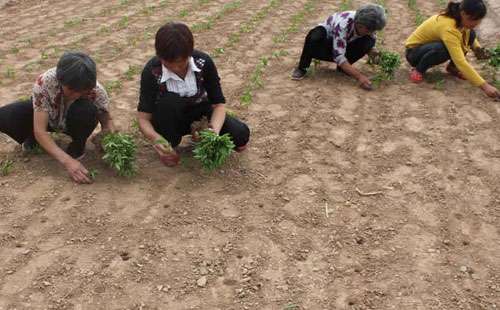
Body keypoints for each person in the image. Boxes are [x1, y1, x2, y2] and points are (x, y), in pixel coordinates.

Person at [137, 22, 250, 167]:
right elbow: (143, 118)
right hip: (170, 118)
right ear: (160, 56)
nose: (175, 68)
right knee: (170, 101)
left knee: (240, 135)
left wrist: (212, 133)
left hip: (201, 113)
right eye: (168, 63)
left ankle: (199, 133)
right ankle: (171, 140)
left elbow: (219, 105)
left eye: (180, 62)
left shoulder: (203, 62)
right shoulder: (152, 71)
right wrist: (158, 141)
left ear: (189, 53)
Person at [0, 52, 116, 183]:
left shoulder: (96, 90)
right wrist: (68, 162)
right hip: (49, 117)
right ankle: (33, 140)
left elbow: (107, 121)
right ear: (60, 80)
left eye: (81, 91)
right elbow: (40, 130)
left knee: (87, 110)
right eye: (71, 90)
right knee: (6, 116)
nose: (76, 94)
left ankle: (77, 147)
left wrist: (108, 136)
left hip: (74, 120)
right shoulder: (45, 82)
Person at [405, 0, 500, 98]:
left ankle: (452, 68)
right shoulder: (449, 28)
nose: (477, 23)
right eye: (474, 20)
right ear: (463, 13)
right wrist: (485, 86)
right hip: (414, 53)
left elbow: (467, 32)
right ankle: (418, 70)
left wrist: (477, 49)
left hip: (428, 47)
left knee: (471, 34)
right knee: (443, 49)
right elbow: (460, 62)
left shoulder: (458, 17)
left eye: (479, 20)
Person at [291, 4, 387, 90]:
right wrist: (359, 76)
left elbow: (368, 45)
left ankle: (343, 68)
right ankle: (302, 68)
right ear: (360, 25)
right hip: (327, 42)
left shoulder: (369, 25)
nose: (372, 32)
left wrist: (373, 53)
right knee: (313, 37)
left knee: (370, 41)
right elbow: (339, 57)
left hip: (345, 43)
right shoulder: (343, 25)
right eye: (369, 30)